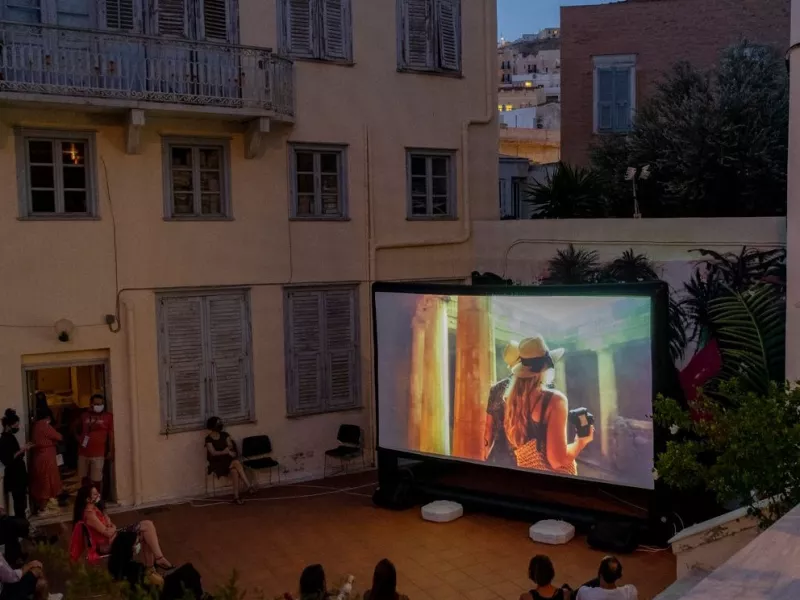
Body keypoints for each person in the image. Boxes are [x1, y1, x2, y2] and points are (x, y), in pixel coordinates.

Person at [503, 336, 594, 474]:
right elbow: (557, 461)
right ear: (547, 366)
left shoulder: (511, 400)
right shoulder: (555, 401)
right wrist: (581, 442)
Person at [73, 485, 173, 587]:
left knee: (147, 527)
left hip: (114, 536)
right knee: (147, 527)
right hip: (108, 543)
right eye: (95, 494)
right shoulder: (90, 515)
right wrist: (112, 528)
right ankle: (154, 565)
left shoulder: (96, 508)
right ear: (88, 499)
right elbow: (107, 533)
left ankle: (153, 566)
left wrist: (110, 525)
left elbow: (110, 525)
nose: (98, 495)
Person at [483, 342, 520, 466]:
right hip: (522, 455)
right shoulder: (529, 387)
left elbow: (488, 426)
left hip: (498, 453)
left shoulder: (495, 389)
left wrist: (486, 451)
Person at [205, 417, 254, 505]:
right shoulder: (208, 439)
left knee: (234, 471)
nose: (220, 425)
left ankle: (236, 497)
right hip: (217, 463)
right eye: (218, 423)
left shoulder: (225, 434)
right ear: (212, 426)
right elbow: (213, 453)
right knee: (236, 462)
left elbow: (230, 445)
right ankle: (248, 486)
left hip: (228, 460)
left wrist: (229, 451)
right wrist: (225, 452)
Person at [75, 395, 114, 496]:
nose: (99, 406)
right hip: (83, 453)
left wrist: (110, 451)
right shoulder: (84, 415)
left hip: (98, 454)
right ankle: (85, 498)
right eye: (96, 404)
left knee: (97, 479)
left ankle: (97, 499)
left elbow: (111, 435)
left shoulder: (108, 417)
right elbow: (75, 429)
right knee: (84, 478)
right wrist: (79, 440)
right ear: (91, 404)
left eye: (100, 404)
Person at [29, 406, 63, 514]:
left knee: (41, 480)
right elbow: (59, 436)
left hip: (39, 456)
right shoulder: (44, 425)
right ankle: (43, 508)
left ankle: (41, 506)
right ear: (48, 416)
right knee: (46, 481)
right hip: (47, 457)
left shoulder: (35, 425)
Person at [0, 410, 31, 519]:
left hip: (17, 474)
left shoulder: (10, 437)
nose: (17, 427)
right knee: (19, 503)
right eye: (15, 425)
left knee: (21, 501)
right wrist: (21, 450)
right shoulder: (4, 440)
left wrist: (22, 450)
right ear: (8, 425)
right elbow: (8, 458)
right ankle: (21, 524)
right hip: (15, 475)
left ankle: (22, 522)